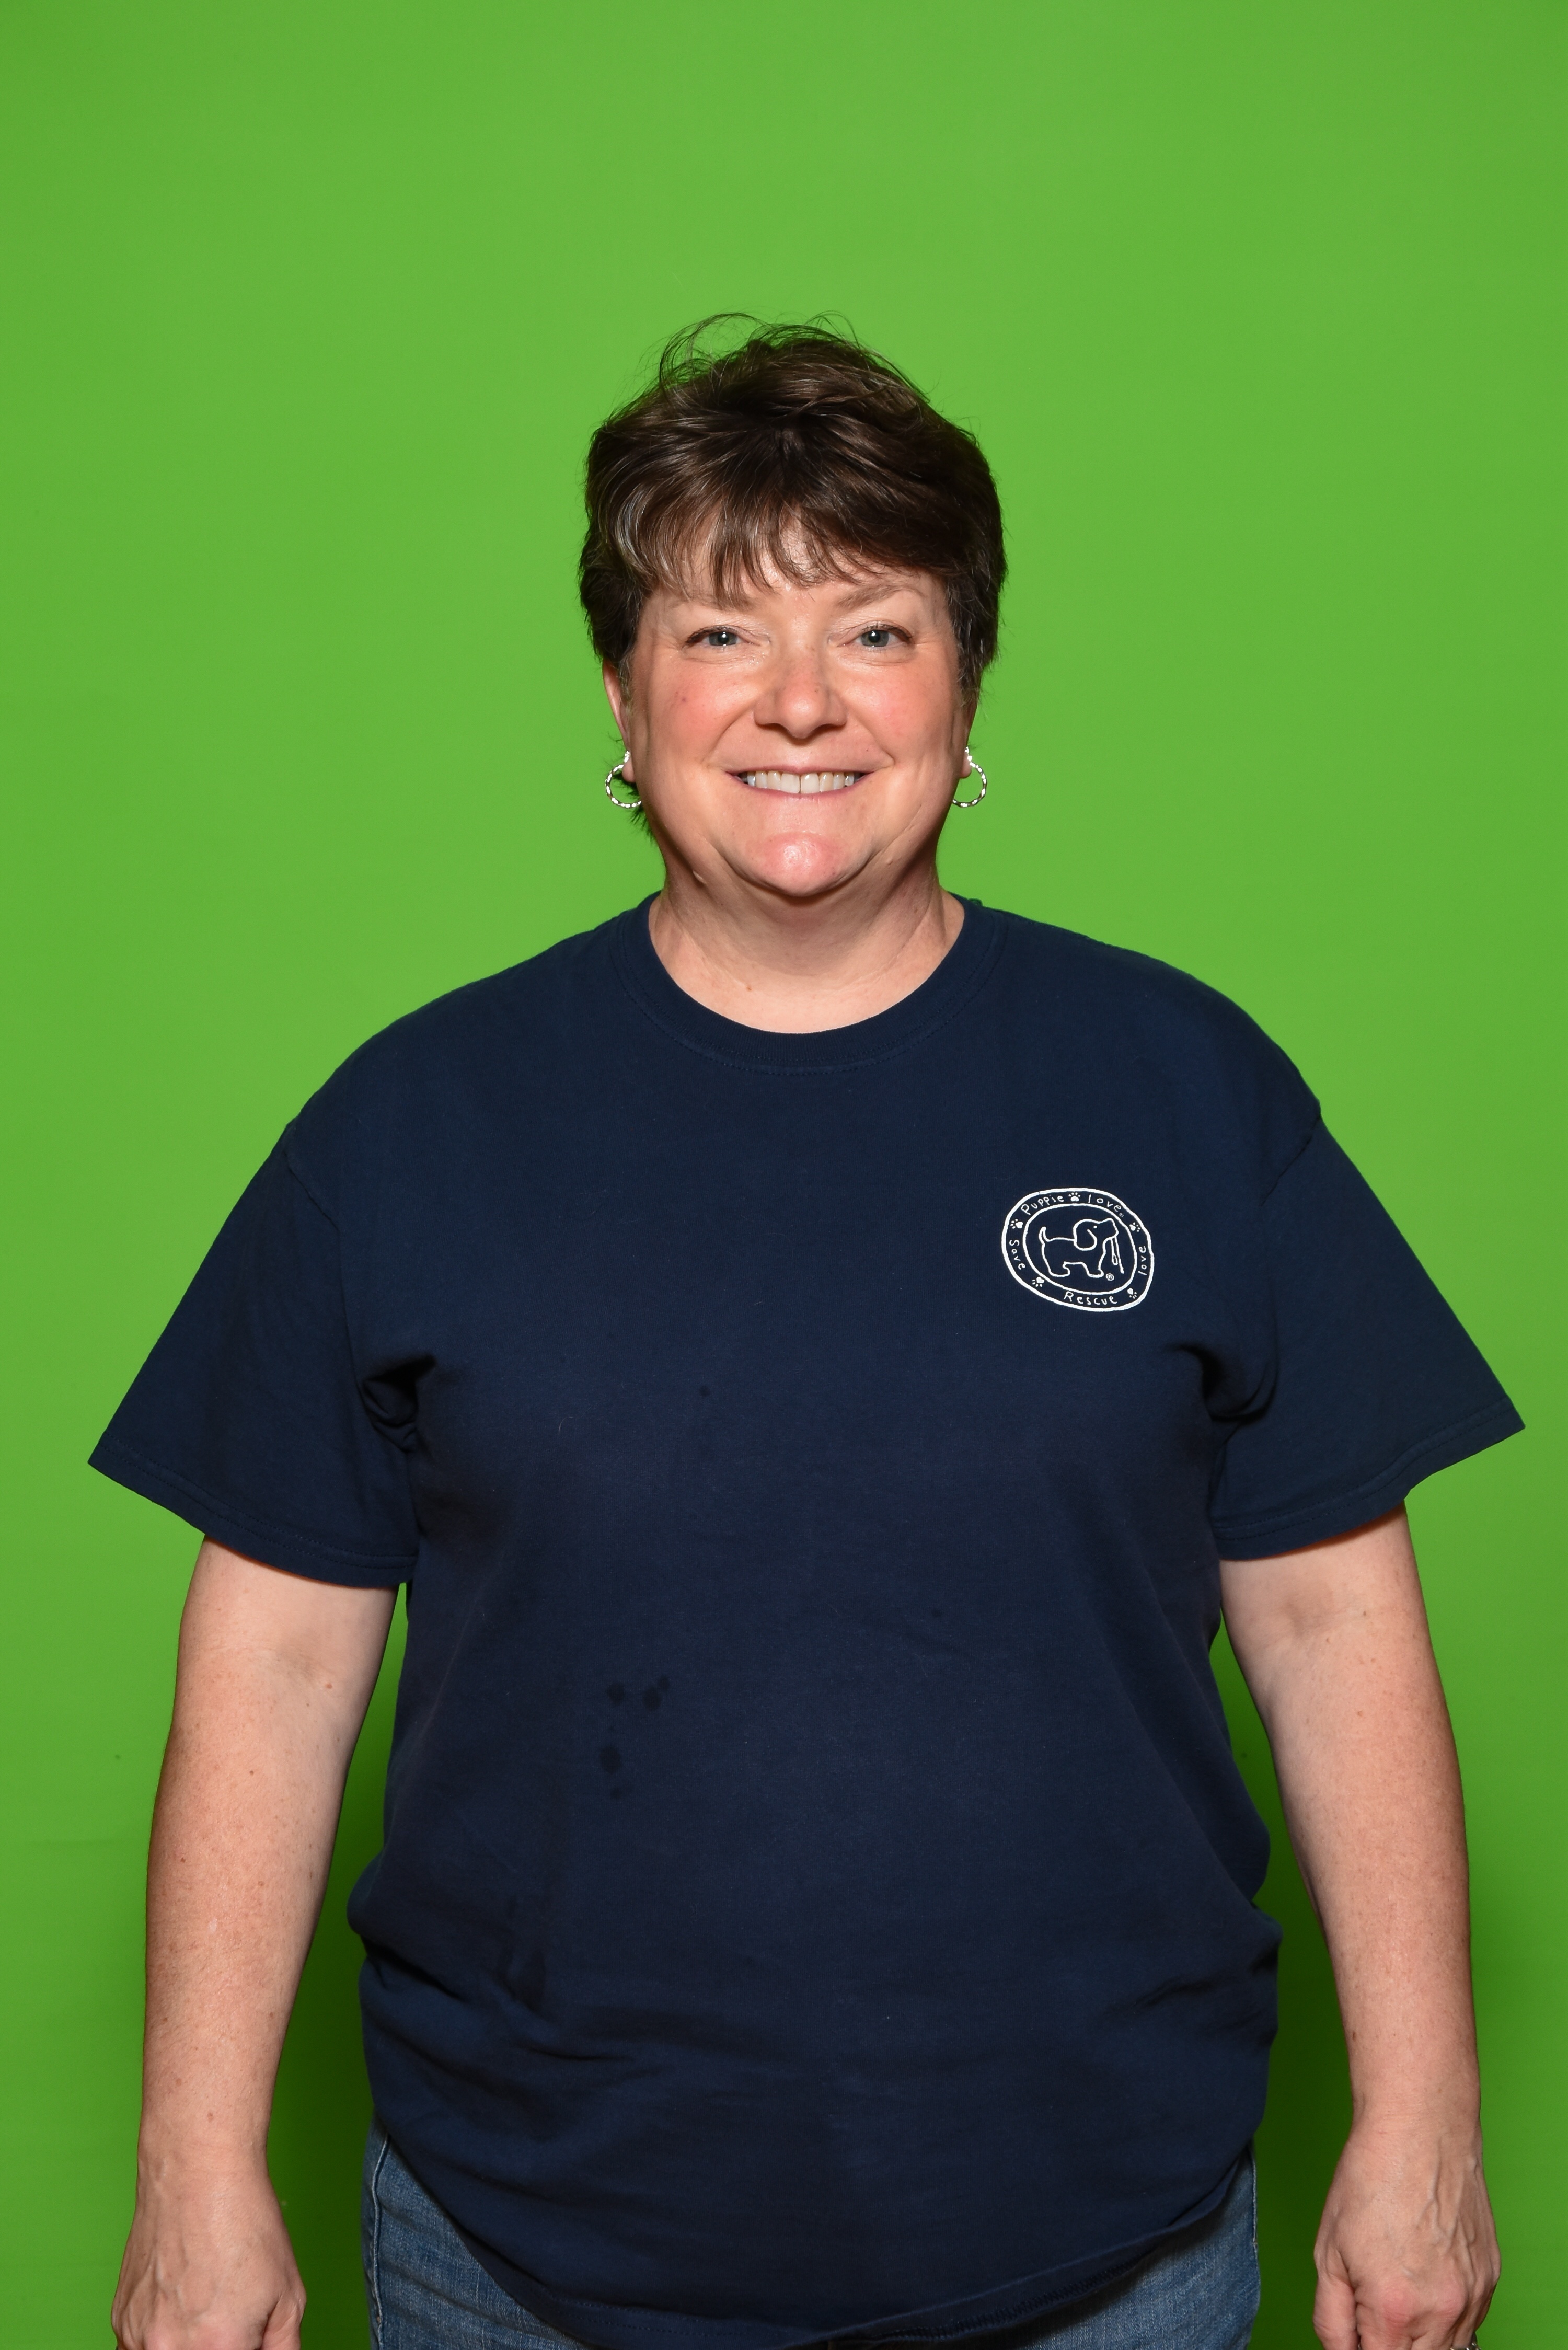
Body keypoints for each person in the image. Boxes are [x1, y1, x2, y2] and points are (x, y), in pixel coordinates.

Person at [97, 322, 1518, 2350]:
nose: (799, 701)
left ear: (966, 685)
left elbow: (1332, 1620)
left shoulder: (1187, 1089)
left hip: (1109, 2245)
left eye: (876, 630)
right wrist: (191, 2167)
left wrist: (1427, 2118)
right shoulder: (410, 1124)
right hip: (521, 2253)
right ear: (622, 693)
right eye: (718, 633)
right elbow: (273, 1662)